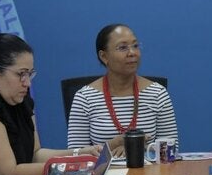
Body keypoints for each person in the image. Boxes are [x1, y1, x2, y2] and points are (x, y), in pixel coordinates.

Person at [0, 34, 99, 175]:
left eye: (30, 74)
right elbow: (10, 174)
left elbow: (35, 155)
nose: (28, 83)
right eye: (21, 74)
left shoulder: (20, 100)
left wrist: (80, 154)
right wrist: (73, 167)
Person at [67, 24, 178, 157]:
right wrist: (111, 146)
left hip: (149, 174)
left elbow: (172, 150)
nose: (132, 53)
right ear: (104, 56)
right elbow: (76, 156)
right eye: (123, 47)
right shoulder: (85, 97)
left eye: (135, 46)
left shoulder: (157, 94)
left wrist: (138, 149)